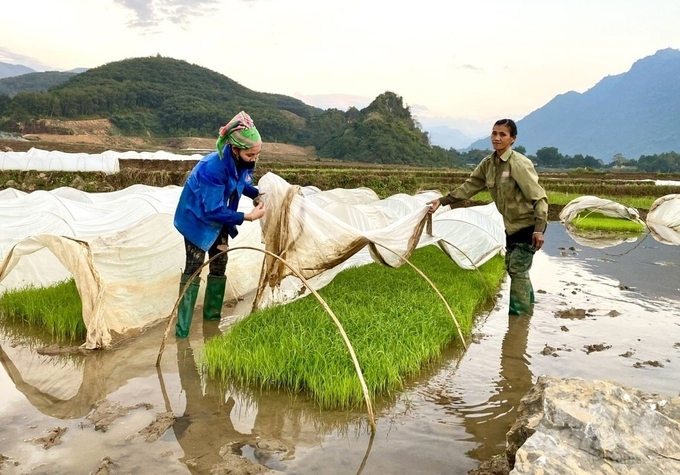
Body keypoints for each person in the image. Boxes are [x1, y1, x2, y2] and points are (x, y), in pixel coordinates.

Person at [427, 118, 548, 316]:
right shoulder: (488, 164)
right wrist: (442, 201)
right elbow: (470, 186)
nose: (497, 138)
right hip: (511, 226)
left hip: (529, 224)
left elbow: (539, 197)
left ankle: (519, 319)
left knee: (517, 269)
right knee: (514, 268)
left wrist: (539, 229)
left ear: (512, 139)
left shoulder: (518, 164)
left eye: (503, 134)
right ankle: (528, 307)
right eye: (494, 133)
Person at [173, 111, 266, 338]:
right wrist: (248, 216)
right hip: (196, 218)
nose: (254, 158)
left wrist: (261, 194)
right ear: (235, 149)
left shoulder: (243, 162)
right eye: (250, 154)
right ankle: (182, 331)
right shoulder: (212, 168)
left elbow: (242, 184)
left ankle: (211, 325)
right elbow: (213, 209)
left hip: (220, 218)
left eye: (257, 154)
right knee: (194, 268)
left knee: (219, 264)